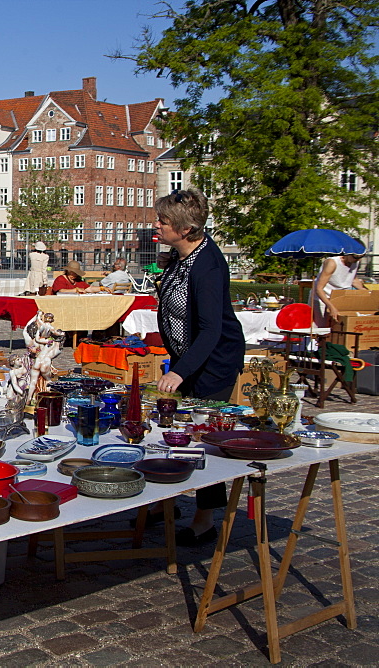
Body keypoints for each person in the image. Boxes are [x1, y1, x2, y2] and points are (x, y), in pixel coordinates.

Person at [153, 189, 245, 546]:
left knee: (204, 437)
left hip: (213, 363)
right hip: (186, 358)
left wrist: (179, 371)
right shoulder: (181, 256)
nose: (156, 226)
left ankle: (205, 519)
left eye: (163, 222)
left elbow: (211, 329)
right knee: (172, 432)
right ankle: (168, 501)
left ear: (185, 228)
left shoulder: (207, 264)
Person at [312, 252, 366, 327]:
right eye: (355, 257)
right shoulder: (332, 263)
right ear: (348, 253)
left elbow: (353, 279)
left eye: (361, 257)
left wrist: (364, 290)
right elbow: (319, 289)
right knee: (322, 327)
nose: (358, 260)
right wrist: (331, 307)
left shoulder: (355, 262)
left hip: (339, 297)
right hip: (323, 297)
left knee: (338, 326)